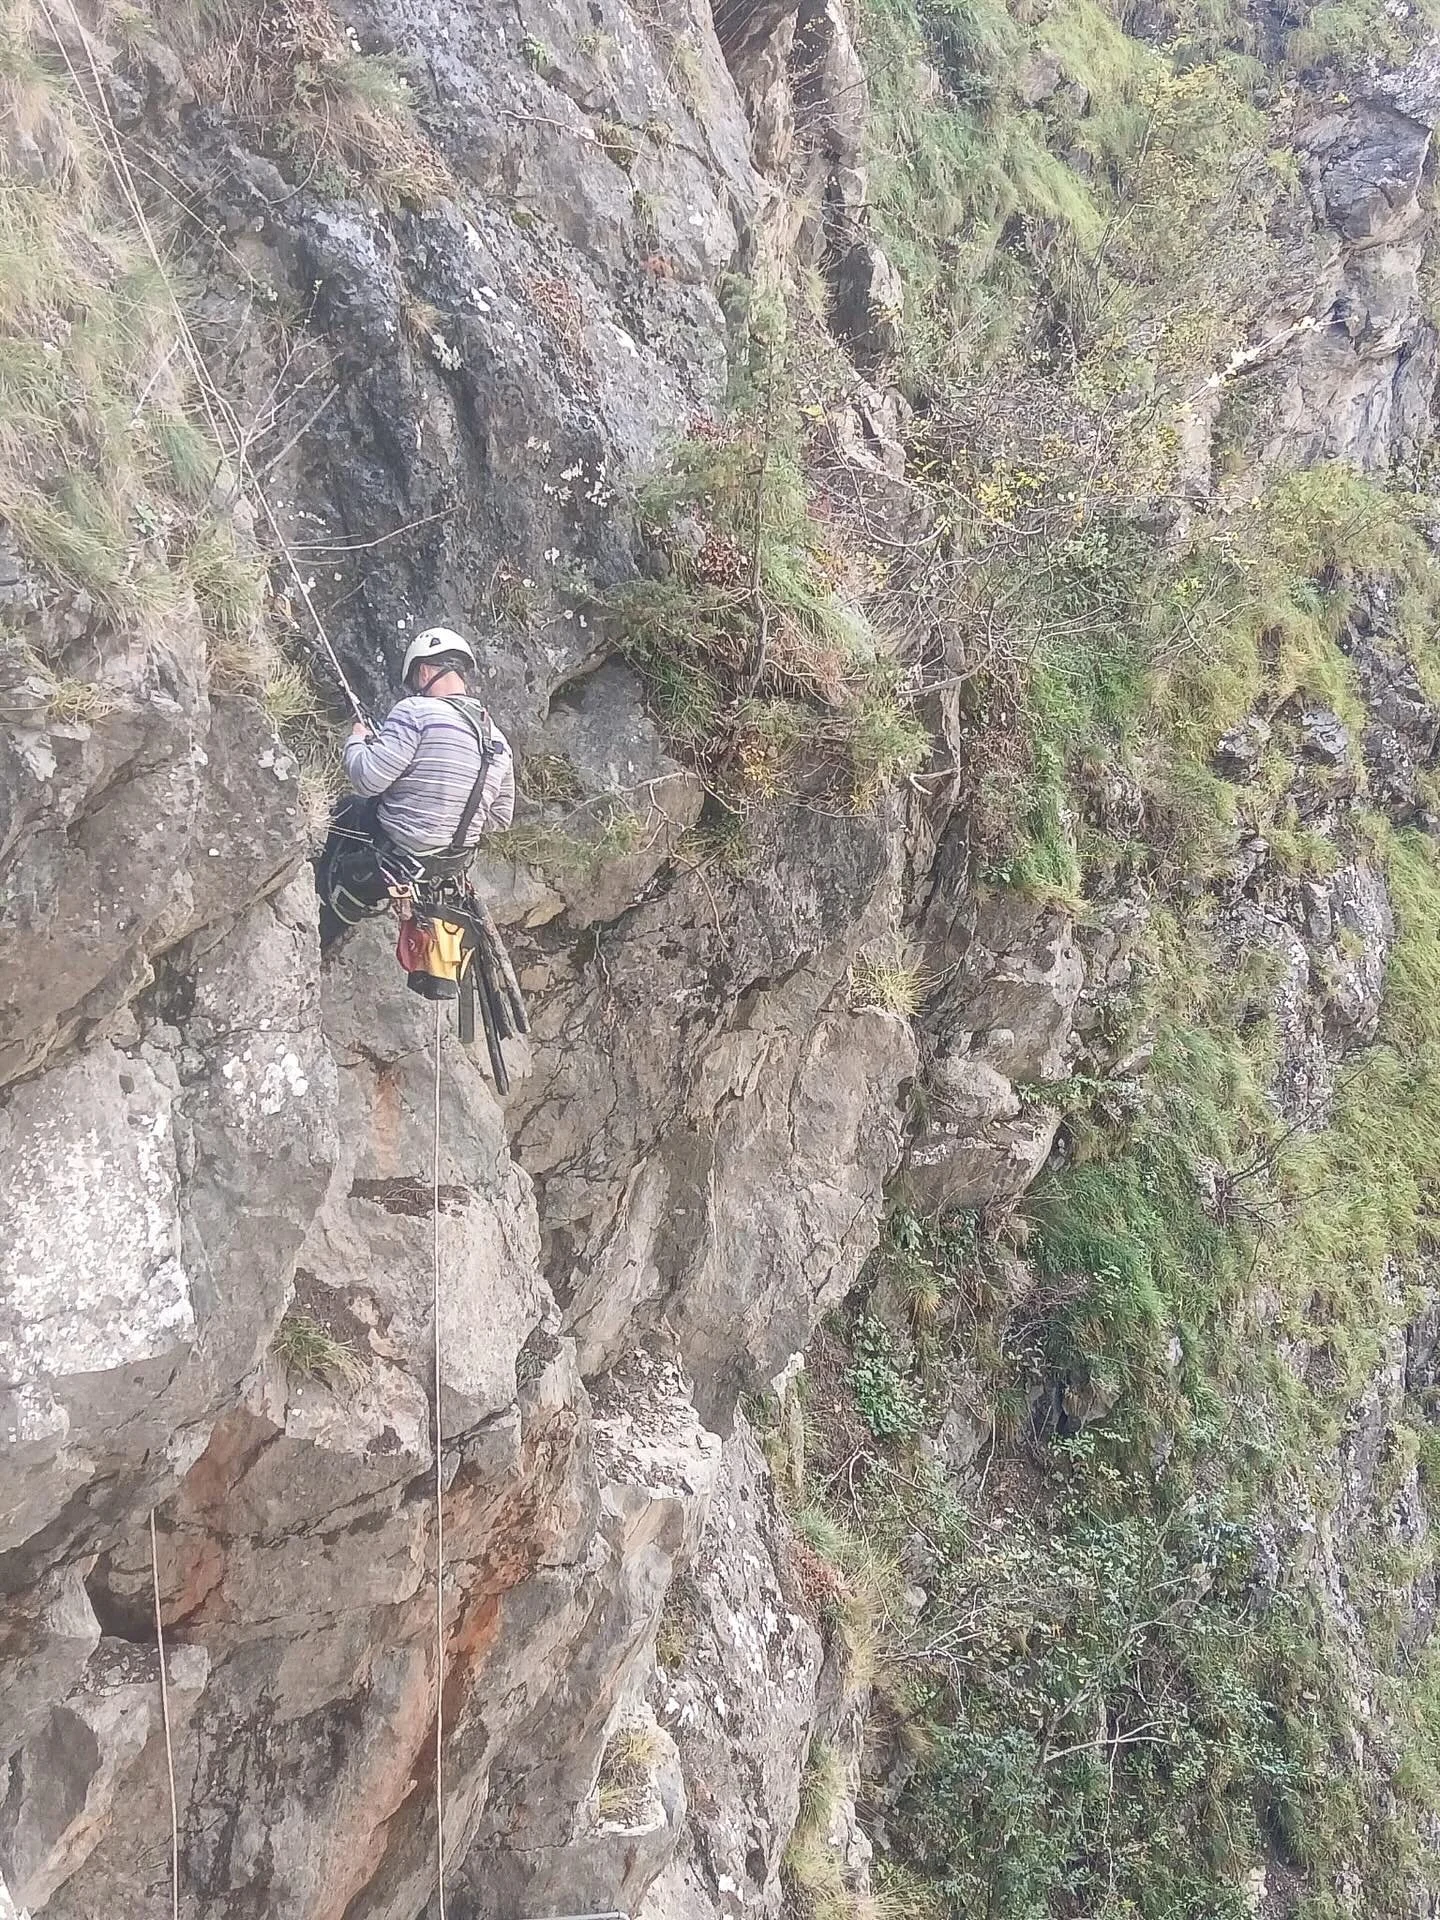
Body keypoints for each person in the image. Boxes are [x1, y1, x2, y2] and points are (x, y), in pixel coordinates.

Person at [317, 627, 514, 950]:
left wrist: (356, 740)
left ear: (423, 670)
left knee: (351, 808)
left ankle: (327, 908)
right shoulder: (498, 741)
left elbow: (368, 779)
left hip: (397, 855)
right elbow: (500, 818)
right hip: (446, 868)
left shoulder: (416, 711)